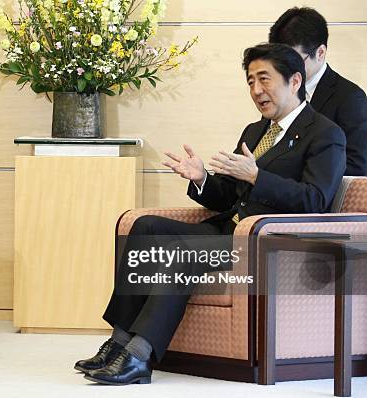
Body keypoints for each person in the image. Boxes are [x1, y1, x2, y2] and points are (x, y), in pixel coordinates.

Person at [75, 43, 346, 386]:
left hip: (266, 246)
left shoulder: (325, 134)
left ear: (294, 81)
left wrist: (258, 177)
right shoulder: (255, 131)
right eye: (250, 81)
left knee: (179, 251)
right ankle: (118, 342)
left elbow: (316, 201)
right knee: (144, 229)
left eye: (264, 79)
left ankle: (139, 357)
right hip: (228, 232)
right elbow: (228, 197)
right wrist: (202, 178)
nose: (256, 90)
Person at [269, 7, 367, 176]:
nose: (284, 70)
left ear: (320, 53)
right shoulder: (279, 91)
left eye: (294, 60)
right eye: (279, 61)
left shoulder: (350, 98)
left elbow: (357, 167)